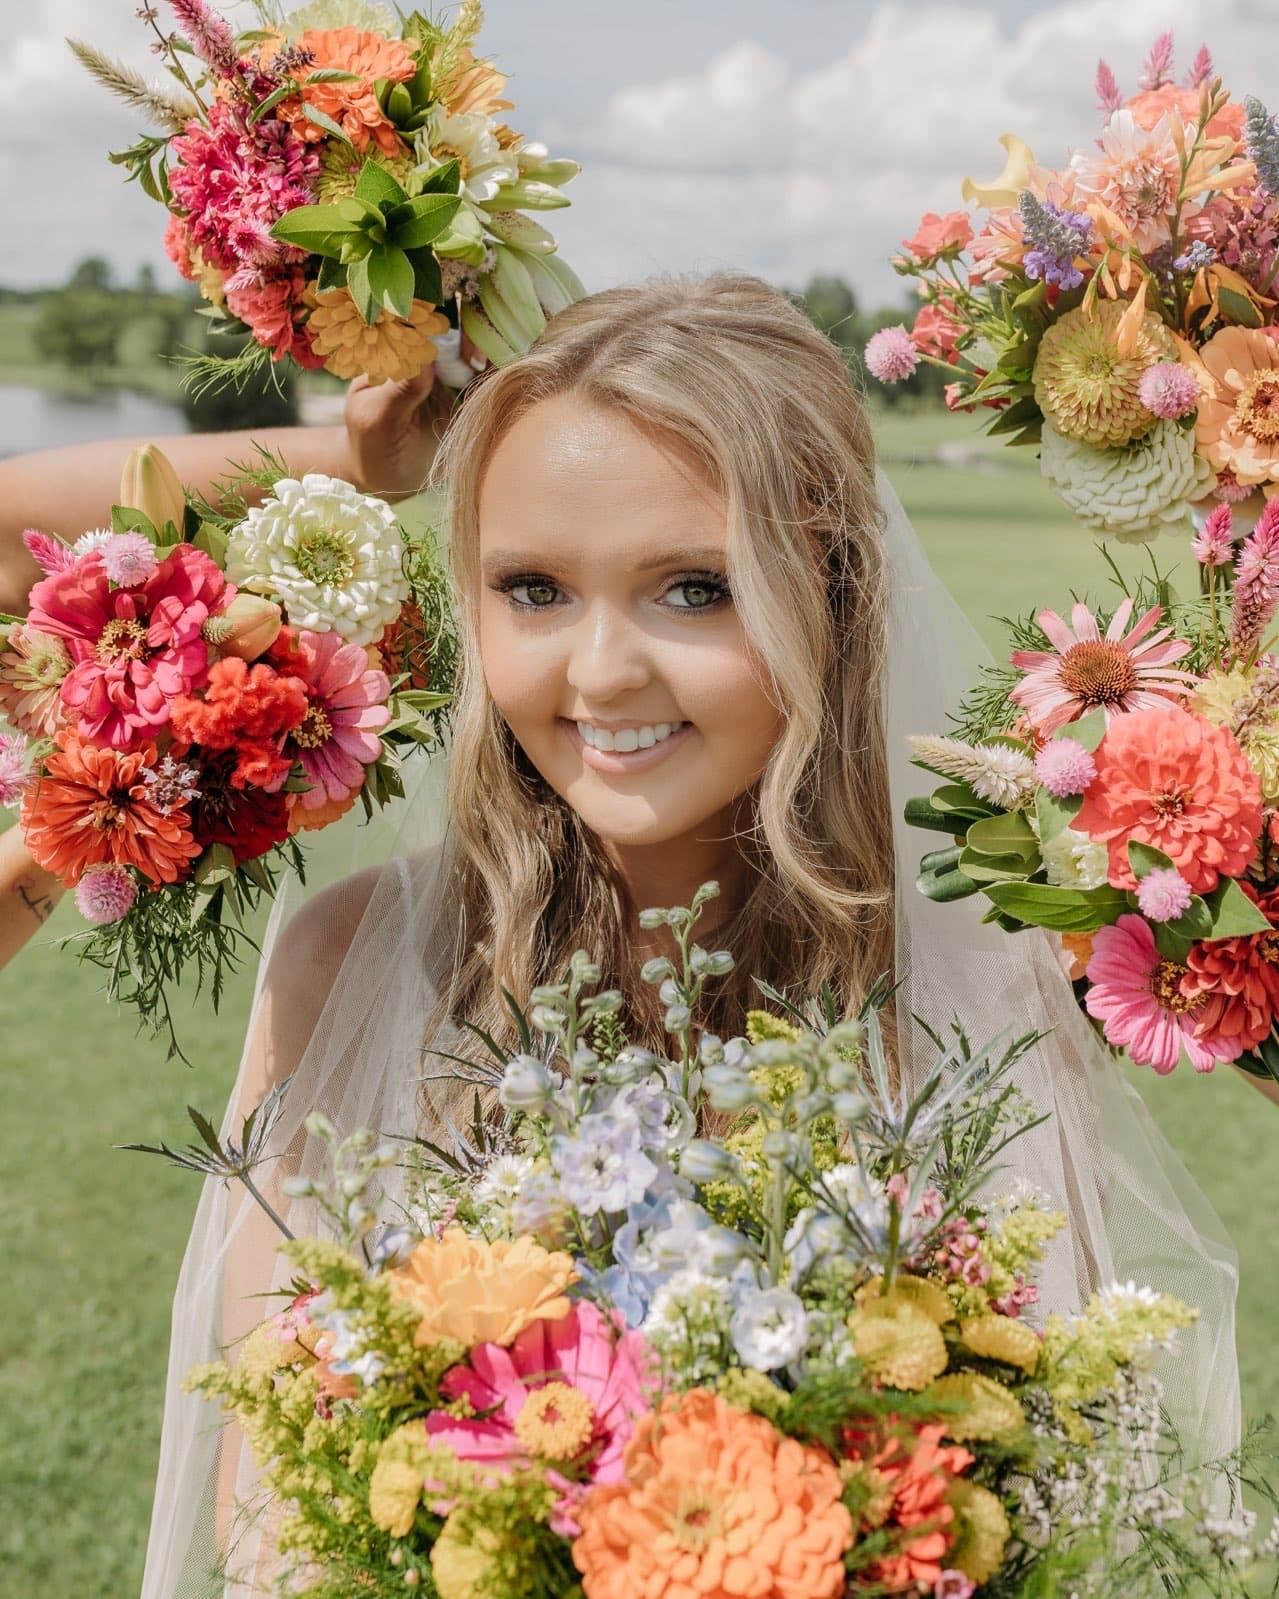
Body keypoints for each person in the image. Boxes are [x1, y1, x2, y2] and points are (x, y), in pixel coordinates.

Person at [9, 274, 1245, 1596]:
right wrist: (353, 462)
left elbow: (1033, 1502)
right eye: (533, 588)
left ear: (828, 594)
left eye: (695, 590)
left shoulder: (982, 987)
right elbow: (273, 1535)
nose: (600, 673)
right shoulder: (345, 963)